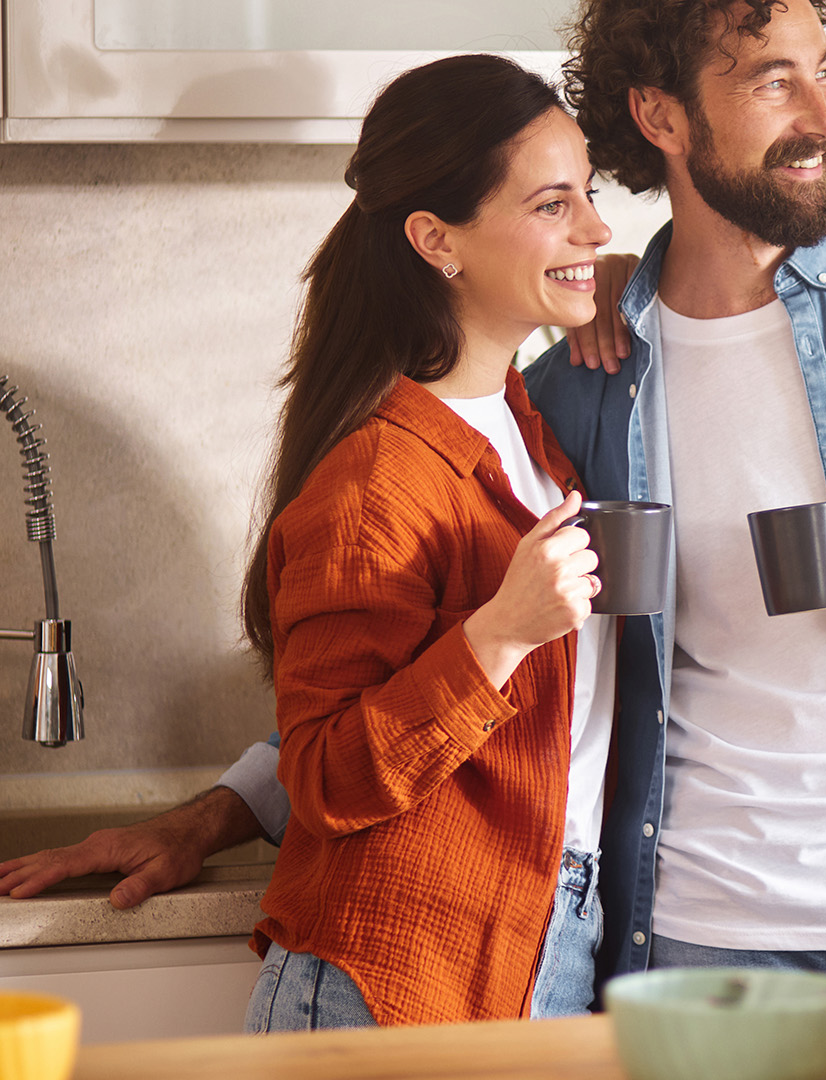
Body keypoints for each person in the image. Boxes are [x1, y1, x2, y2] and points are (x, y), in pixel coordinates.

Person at [1, 0, 826, 1002]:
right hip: (705, 944)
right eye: (772, 80)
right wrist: (223, 808)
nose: (825, 115)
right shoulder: (581, 384)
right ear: (660, 116)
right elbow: (455, 647)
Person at [239, 54, 619, 1029]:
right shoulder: (377, 474)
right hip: (397, 973)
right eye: (552, 204)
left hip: (542, 940)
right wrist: (500, 636)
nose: (596, 228)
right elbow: (324, 773)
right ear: (435, 239)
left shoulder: (529, 428)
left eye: (591, 194)